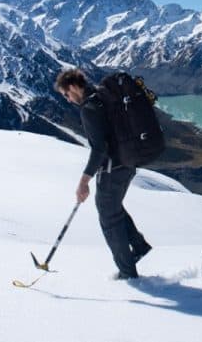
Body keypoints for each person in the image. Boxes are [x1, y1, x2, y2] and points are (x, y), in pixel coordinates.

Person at [55, 68, 151, 280]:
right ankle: (138, 245)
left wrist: (83, 181)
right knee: (112, 207)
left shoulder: (89, 107)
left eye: (66, 94)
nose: (68, 99)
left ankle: (127, 272)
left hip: (113, 168)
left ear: (72, 87)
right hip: (128, 162)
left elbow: (100, 149)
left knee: (108, 216)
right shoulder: (102, 95)